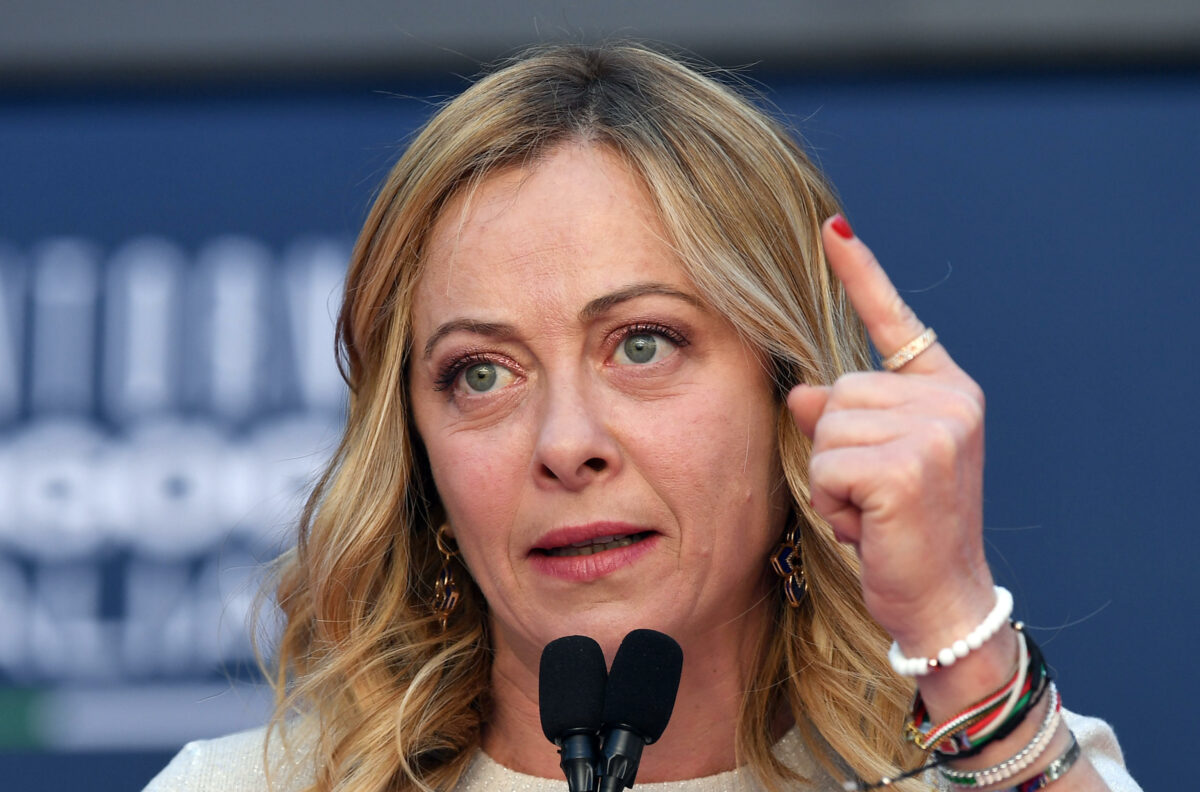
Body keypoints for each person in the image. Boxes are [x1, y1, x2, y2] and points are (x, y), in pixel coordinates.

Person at [145, 43, 1140, 792]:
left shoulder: (1006, 765)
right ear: (417, 455)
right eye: (482, 373)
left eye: (643, 345)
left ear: (790, 395)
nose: (566, 444)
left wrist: (961, 645)